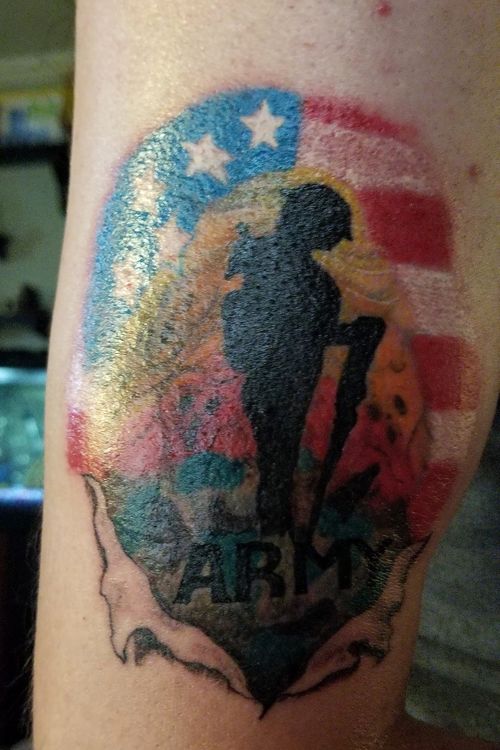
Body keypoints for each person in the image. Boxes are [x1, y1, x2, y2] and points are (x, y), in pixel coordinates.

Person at [34, 1, 499, 748]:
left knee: (284, 465)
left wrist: (351, 334)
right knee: (276, 461)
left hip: (298, 385)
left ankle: (281, 515)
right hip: (279, 400)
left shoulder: (300, 273)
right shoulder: (275, 264)